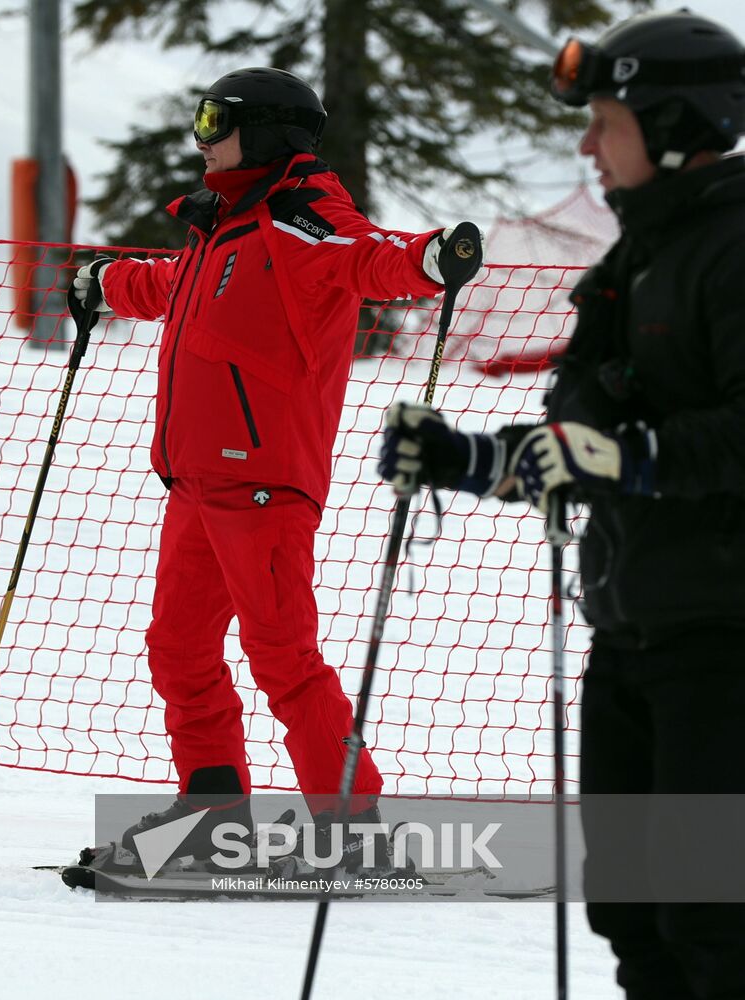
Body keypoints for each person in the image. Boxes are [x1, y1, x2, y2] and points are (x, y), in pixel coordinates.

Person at [379, 10, 745, 996]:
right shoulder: (626, 264)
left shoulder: (729, 249)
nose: (586, 143)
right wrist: (461, 457)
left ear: (674, 121)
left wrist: (628, 456)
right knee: (633, 913)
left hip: (721, 649)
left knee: (715, 923)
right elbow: (569, 451)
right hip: (629, 639)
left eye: (606, 119)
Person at [70, 66, 471, 870]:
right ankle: (214, 815)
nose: (203, 134)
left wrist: (431, 260)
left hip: (262, 481)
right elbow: (176, 285)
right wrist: (106, 283)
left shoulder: (301, 215)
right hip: (196, 480)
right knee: (178, 648)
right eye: (201, 113)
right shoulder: (227, 220)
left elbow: (369, 260)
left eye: (218, 118)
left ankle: (353, 827)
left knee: (283, 658)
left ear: (266, 131)